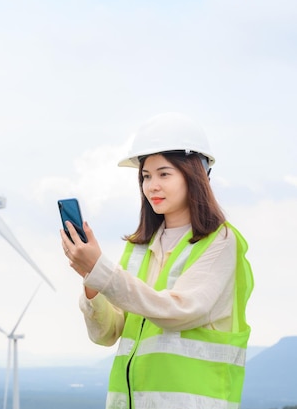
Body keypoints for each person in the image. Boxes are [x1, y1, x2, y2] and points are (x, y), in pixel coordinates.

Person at [60, 112, 254, 409]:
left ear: (194, 175)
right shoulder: (139, 248)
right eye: (146, 176)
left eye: (164, 174)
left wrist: (101, 270)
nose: (152, 186)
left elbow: (178, 310)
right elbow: (106, 334)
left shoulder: (221, 241)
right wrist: (91, 279)